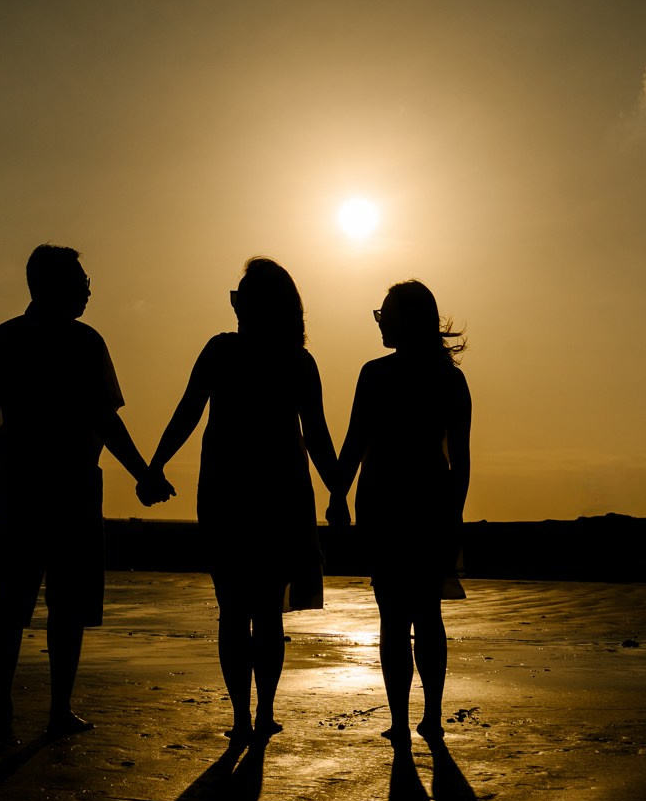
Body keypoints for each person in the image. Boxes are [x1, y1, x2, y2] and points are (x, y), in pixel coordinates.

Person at [0, 244, 171, 738]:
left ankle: (10, 708)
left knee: (19, 602)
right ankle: (49, 709)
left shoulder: (7, 339)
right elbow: (105, 420)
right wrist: (143, 473)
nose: (88, 287)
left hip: (30, 488)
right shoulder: (81, 343)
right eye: (80, 279)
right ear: (51, 284)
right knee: (54, 605)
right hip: (65, 490)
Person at [148, 257, 342, 740]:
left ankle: (245, 715)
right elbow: (316, 436)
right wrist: (339, 490)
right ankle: (259, 713)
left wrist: (156, 464)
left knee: (236, 610)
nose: (234, 306)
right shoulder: (295, 361)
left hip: (229, 492)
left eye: (241, 298)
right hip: (277, 495)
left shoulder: (224, 352)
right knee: (262, 613)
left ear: (257, 306)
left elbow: (188, 413)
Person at [327, 279, 472, 747]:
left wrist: (337, 494)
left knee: (395, 617)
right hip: (430, 501)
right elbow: (461, 460)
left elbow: (354, 442)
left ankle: (401, 718)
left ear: (405, 320)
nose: (381, 321)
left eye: (385, 314)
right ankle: (429, 716)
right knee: (427, 613)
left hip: (387, 502)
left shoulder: (376, 375)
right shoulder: (449, 378)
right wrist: (456, 513)